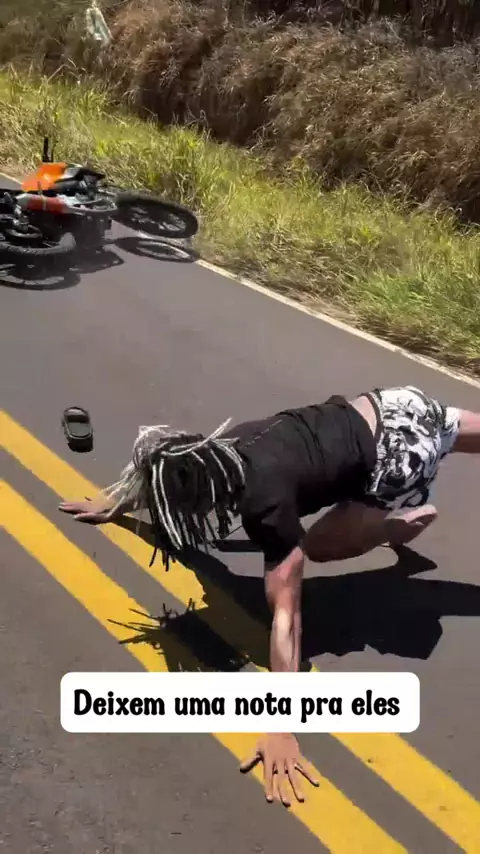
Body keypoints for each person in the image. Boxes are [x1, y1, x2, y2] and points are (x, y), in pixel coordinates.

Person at [59, 384, 479, 806]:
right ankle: (387, 518)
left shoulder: (264, 506)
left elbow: (286, 616)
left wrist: (280, 726)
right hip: (395, 405)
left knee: (318, 547)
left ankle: (393, 526)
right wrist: (114, 503)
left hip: (400, 456)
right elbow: (167, 473)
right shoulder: (222, 448)